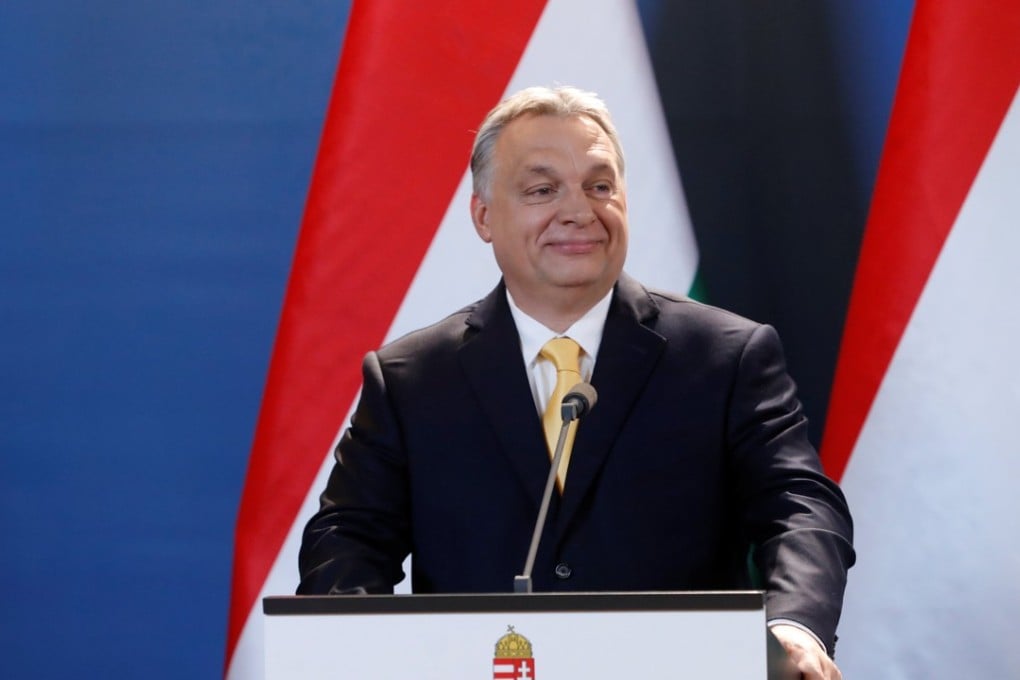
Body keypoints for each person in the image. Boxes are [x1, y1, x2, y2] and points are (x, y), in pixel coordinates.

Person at [298, 86, 854, 679]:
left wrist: (790, 626)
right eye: (542, 190)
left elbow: (801, 507)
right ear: (484, 215)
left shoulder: (725, 356)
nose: (579, 211)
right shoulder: (412, 379)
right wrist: (355, 645)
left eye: (600, 185)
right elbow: (348, 537)